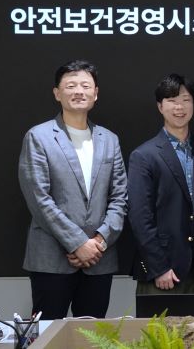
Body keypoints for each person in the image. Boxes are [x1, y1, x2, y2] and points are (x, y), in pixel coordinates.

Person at [18, 60, 127, 319]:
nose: (79, 91)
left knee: (92, 334)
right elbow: (39, 199)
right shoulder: (39, 137)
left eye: (85, 86)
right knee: (47, 333)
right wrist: (78, 243)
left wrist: (98, 242)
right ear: (57, 93)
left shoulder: (109, 140)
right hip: (52, 260)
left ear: (95, 93)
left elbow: (120, 198)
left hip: (99, 260)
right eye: (71, 86)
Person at [127, 74, 194, 297]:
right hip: (161, 273)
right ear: (160, 106)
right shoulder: (144, 156)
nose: (179, 107)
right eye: (171, 100)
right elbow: (140, 217)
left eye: (185, 100)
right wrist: (158, 267)